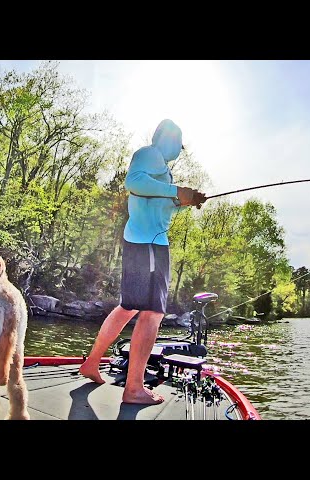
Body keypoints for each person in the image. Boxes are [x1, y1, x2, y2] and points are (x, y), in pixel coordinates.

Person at [79, 119, 206, 404]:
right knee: (152, 313)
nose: (180, 150)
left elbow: (157, 206)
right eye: (178, 143)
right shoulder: (150, 154)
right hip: (148, 245)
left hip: (146, 242)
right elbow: (133, 182)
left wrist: (185, 201)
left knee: (127, 308)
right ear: (166, 138)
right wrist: (176, 193)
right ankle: (134, 388)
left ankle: (92, 363)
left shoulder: (163, 170)